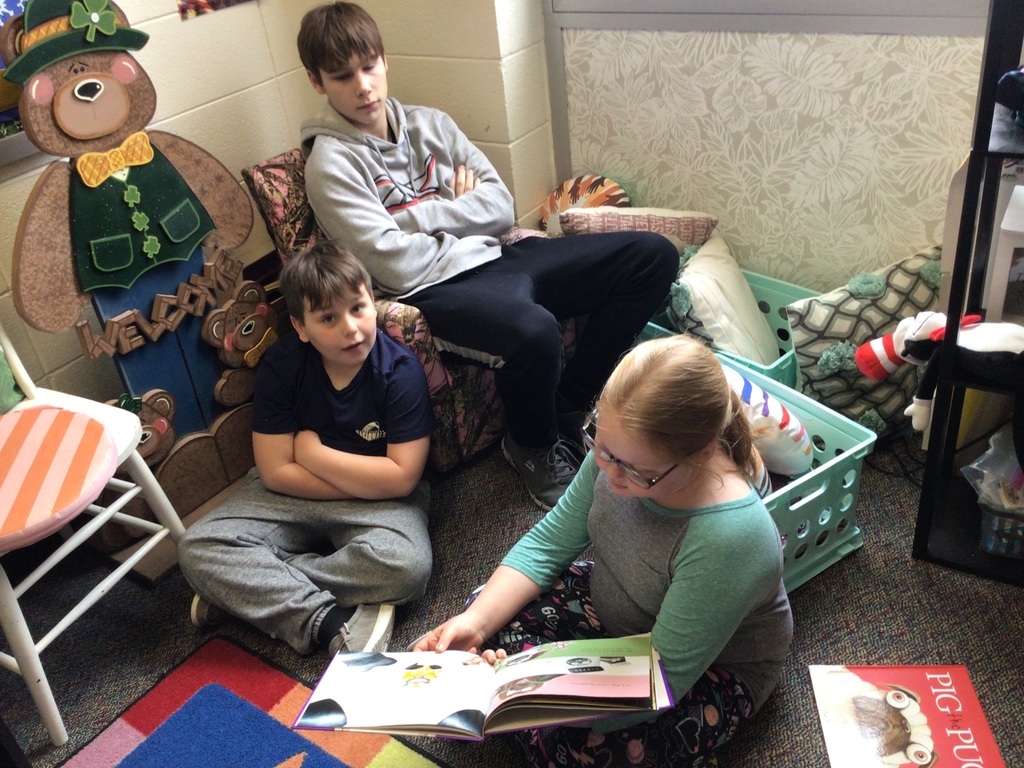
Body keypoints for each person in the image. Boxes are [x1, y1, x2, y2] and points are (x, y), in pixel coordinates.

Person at [296, 3, 679, 510]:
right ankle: (531, 446)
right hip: (432, 290)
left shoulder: (431, 124)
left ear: (385, 61)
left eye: (369, 67)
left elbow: (499, 209)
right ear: (317, 82)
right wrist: (454, 206)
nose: (363, 87)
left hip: (497, 257)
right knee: (534, 329)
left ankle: (568, 404)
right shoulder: (329, 164)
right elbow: (391, 264)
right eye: (343, 77)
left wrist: (420, 216)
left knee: (651, 254)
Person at [413, 335, 794, 767]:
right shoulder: (620, 448)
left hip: (703, 670)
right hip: (618, 605)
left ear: (702, 454)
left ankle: (519, 718)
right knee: (480, 616)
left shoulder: (732, 537)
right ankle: (519, 710)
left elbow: (658, 678)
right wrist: (476, 623)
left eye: (635, 471)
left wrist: (519, 693)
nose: (610, 473)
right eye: (601, 446)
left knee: (591, 750)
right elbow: (549, 542)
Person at [177, 240, 435, 656]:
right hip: (293, 491)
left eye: (358, 308)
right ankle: (326, 621)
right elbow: (276, 472)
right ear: (301, 327)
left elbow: (403, 477)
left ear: (373, 303)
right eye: (328, 318)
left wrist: (313, 455)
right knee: (197, 547)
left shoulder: (399, 371)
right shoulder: (283, 364)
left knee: (406, 568)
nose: (350, 328)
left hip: (382, 501)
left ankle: (251, 589)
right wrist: (360, 480)